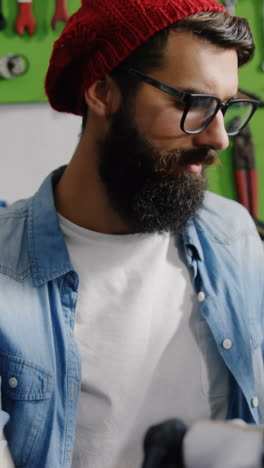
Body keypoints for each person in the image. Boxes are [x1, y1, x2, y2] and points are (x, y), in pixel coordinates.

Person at [0, 0, 263, 467]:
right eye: (195, 103)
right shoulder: (6, 269)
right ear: (103, 92)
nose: (220, 137)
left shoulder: (234, 235)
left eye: (227, 108)